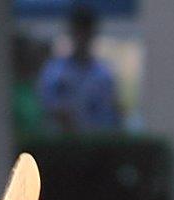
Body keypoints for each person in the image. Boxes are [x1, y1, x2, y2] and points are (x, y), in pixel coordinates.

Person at [37, 3, 121, 134]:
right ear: (71, 32)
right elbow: (46, 108)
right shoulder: (54, 72)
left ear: (93, 33)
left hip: (95, 145)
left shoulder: (104, 75)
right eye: (78, 31)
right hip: (59, 145)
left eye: (86, 31)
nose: (82, 37)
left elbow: (112, 114)